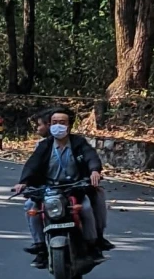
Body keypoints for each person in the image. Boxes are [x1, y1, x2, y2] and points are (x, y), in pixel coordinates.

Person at [14, 106, 111, 252]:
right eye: (54, 122)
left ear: (69, 126)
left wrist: (94, 171)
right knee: (30, 207)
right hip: (48, 189)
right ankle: (39, 245)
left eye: (62, 122)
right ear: (49, 125)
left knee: (85, 208)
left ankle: (93, 241)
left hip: (75, 187)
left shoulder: (78, 143)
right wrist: (23, 182)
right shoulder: (44, 146)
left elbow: (91, 156)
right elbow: (32, 164)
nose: (58, 125)